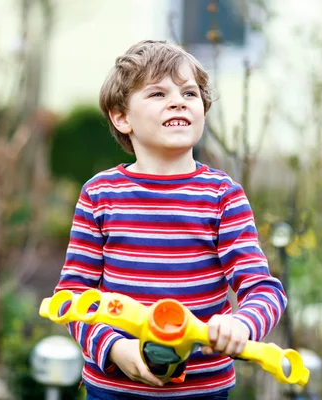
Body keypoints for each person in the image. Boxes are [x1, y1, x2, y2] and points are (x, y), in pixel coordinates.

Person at [53, 39, 287, 400]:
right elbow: (72, 298)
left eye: (189, 93)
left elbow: (264, 290)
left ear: (203, 111)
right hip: (114, 391)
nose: (178, 101)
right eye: (158, 94)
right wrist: (115, 349)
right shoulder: (100, 195)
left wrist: (240, 324)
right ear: (122, 117)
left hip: (202, 392)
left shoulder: (222, 196)